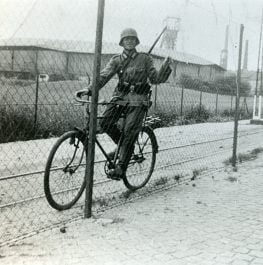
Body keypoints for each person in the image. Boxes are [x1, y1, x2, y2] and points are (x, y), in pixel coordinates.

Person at [84, 28, 172, 180]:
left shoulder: (145, 59)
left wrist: (165, 67)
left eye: (132, 39)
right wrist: (89, 89)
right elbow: (104, 76)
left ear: (136, 41)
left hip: (138, 99)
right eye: (126, 39)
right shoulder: (116, 60)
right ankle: (124, 147)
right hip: (120, 97)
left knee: (130, 129)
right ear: (122, 42)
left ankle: (120, 168)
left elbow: (155, 78)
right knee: (105, 122)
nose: (129, 41)